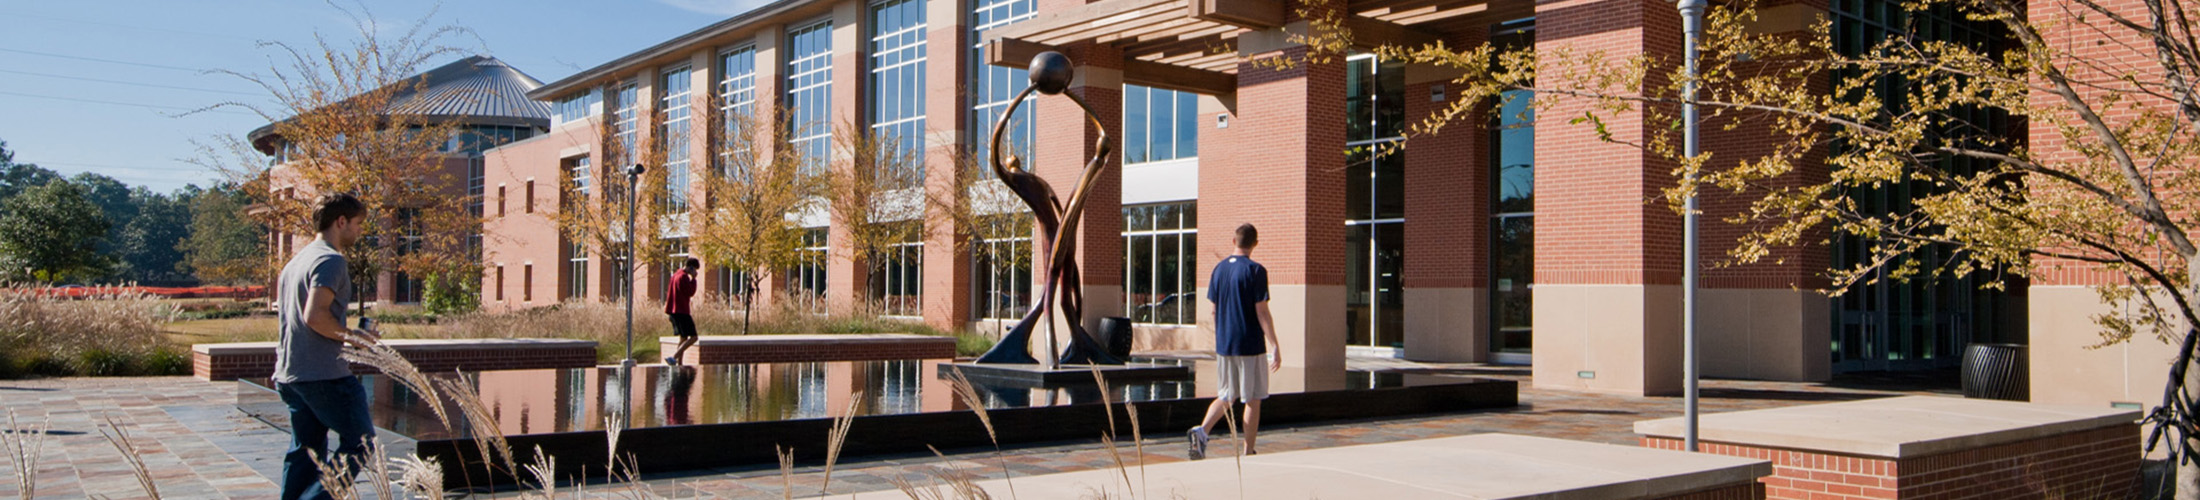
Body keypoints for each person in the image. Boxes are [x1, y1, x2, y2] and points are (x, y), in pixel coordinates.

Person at [274, 193, 380, 500]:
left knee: (306, 453)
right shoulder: (330, 260)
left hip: (291, 374)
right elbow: (315, 317)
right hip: (323, 375)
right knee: (360, 443)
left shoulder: (298, 261)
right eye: (358, 224)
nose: (361, 231)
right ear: (341, 221)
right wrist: (353, 336)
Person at [1187, 223, 1280, 460]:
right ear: (1255, 244)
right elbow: (1262, 312)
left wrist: (1221, 339)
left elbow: (1214, 311)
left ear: (1233, 241)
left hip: (1225, 344)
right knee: (1253, 397)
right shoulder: (1256, 271)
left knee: (1226, 395)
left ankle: (1202, 431)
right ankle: (1248, 450)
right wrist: (1274, 344)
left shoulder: (1218, 270)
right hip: (1250, 344)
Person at [664, 257, 700, 364]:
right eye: (695, 269)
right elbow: (690, 292)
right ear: (691, 267)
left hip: (674, 311)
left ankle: (679, 363)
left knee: (683, 338)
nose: (695, 272)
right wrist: (693, 279)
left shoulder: (675, 275)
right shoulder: (683, 277)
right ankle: (674, 357)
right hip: (682, 311)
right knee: (694, 337)